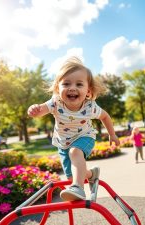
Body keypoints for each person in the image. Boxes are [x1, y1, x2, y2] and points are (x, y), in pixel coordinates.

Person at [27, 57, 120, 201]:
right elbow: (40, 111)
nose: (72, 88)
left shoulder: (90, 107)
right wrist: (34, 110)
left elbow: (105, 117)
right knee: (71, 176)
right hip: (63, 142)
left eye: (79, 84)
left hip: (85, 137)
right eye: (66, 83)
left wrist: (112, 134)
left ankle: (78, 188)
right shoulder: (55, 102)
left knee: (75, 152)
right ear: (58, 88)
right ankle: (91, 174)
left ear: (88, 91)